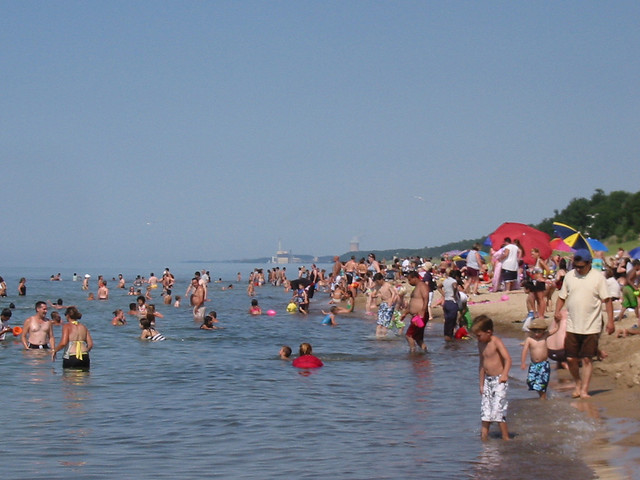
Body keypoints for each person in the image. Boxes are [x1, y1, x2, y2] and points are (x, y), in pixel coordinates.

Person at [554, 249, 614, 399]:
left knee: (587, 358)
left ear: (589, 264)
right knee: (570, 358)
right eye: (576, 266)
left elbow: (607, 301)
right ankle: (578, 383)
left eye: (581, 266)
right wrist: (557, 311)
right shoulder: (569, 276)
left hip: (591, 324)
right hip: (573, 324)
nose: (578, 269)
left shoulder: (598, 278)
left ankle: (584, 389)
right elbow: (562, 296)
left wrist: (611, 321)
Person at [472, 315, 511, 441]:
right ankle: (484, 436)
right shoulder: (480, 344)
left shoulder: (496, 342)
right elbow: (482, 364)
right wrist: (481, 383)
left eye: (479, 335)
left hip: (499, 380)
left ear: (488, 332)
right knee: (486, 411)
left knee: (498, 410)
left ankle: (505, 437)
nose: (477, 338)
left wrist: (505, 374)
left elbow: (508, 359)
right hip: (488, 380)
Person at [520, 317, 551, 399]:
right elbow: (525, 351)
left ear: (543, 331)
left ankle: (543, 397)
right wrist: (523, 363)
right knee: (531, 381)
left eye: (539, 332)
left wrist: (558, 322)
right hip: (534, 365)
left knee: (542, 383)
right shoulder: (529, 339)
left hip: (543, 364)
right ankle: (541, 395)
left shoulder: (544, 336)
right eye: (534, 332)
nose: (536, 334)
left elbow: (555, 330)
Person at [401, 271, 429, 352]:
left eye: (410, 280)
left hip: (419, 316)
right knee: (418, 338)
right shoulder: (417, 287)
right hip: (416, 316)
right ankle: (425, 353)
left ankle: (413, 353)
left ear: (415, 278)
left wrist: (422, 311)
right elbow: (412, 303)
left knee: (409, 335)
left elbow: (426, 298)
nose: (409, 282)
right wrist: (405, 313)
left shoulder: (422, 286)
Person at [372, 272, 398, 337]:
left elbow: (394, 294)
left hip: (389, 304)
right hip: (382, 304)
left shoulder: (388, 285)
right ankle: (377, 336)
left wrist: (391, 302)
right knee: (379, 323)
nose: (377, 283)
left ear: (381, 279)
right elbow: (373, 294)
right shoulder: (378, 286)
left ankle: (383, 336)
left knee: (385, 323)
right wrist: (375, 295)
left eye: (377, 281)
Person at [437, 270, 460, 341]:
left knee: (447, 322)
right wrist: (454, 293)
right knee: (452, 322)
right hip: (452, 302)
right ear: (456, 276)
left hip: (446, 302)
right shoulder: (454, 281)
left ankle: (447, 338)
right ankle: (450, 339)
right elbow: (455, 286)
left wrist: (444, 294)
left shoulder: (446, 280)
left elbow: (438, 287)